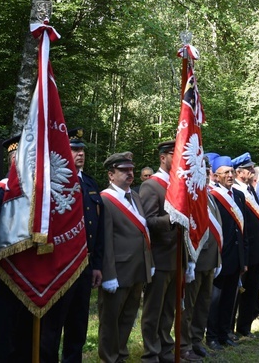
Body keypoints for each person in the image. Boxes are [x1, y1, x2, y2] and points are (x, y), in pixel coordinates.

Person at [40, 128, 104, 362]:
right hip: (60, 265)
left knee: (78, 324)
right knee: (52, 326)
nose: (80, 154)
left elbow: (98, 229)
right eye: (74, 149)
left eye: (82, 150)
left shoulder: (89, 183)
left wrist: (96, 265)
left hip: (84, 265)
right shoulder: (52, 184)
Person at [0, 134, 35, 362]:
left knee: (27, 337)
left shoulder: (35, 196)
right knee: (3, 339)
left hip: (32, 278)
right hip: (6, 276)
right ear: (14, 160)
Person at [98, 152, 153, 363]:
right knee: (110, 319)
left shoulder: (135, 196)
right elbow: (106, 241)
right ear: (111, 174)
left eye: (131, 170)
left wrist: (150, 263)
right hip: (118, 270)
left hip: (137, 267)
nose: (129, 174)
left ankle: (120, 353)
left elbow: (143, 232)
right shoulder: (105, 200)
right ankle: (109, 358)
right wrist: (108, 274)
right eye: (123, 170)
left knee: (128, 316)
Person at [139, 140, 178, 363]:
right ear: (163, 157)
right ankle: (151, 353)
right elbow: (147, 222)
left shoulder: (178, 184)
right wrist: (171, 219)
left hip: (176, 257)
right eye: (175, 153)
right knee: (153, 310)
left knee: (169, 310)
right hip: (160, 256)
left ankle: (165, 348)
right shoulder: (151, 186)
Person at [180, 156, 221, 361]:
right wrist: (188, 259)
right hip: (195, 260)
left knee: (204, 303)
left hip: (211, 259)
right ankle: (184, 344)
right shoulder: (190, 196)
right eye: (201, 171)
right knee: (189, 305)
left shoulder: (209, 195)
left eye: (206, 171)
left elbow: (217, 229)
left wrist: (218, 258)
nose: (204, 174)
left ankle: (197, 340)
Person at [206, 155, 247, 351]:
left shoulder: (238, 195)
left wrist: (243, 258)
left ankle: (224, 333)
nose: (230, 175)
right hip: (220, 256)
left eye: (232, 171)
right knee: (215, 299)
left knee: (230, 297)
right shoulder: (212, 196)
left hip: (236, 256)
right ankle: (211, 336)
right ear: (216, 176)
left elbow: (242, 230)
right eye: (226, 173)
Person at [232, 152, 259, 339]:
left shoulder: (249, 189)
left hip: (256, 250)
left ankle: (244, 327)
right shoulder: (236, 192)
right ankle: (230, 328)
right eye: (248, 168)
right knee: (239, 293)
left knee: (252, 291)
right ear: (239, 172)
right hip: (245, 250)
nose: (252, 170)